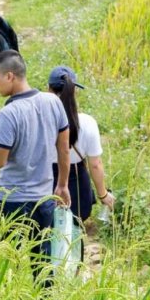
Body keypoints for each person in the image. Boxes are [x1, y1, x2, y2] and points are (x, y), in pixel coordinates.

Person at [0, 50, 71, 288]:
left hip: (10, 201)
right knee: (43, 265)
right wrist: (62, 185)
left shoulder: (9, 113)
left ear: (9, 76)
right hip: (44, 199)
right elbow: (64, 148)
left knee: (3, 266)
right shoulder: (53, 102)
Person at [47, 66, 116, 232]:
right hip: (77, 183)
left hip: (45, 181)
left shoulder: (40, 120)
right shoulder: (87, 122)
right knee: (75, 228)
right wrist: (103, 194)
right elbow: (95, 165)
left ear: (48, 89)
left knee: (48, 229)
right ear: (74, 91)